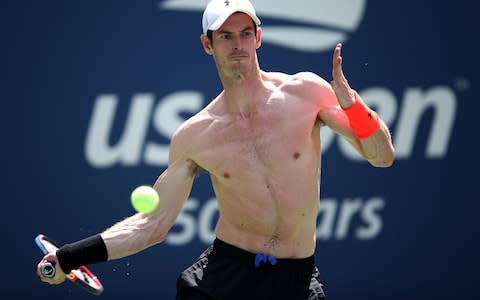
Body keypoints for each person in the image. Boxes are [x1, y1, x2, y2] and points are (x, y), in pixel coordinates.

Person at [37, 0, 395, 299]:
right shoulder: (195, 135)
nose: (237, 44)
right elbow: (152, 224)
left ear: (258, 37)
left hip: (296, 279)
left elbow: (382, 157)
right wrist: (69, 256)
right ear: (208, 44)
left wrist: (356, 110)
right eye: (226, 36)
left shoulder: (306, 93)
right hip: (224, 277)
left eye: (244, 34)